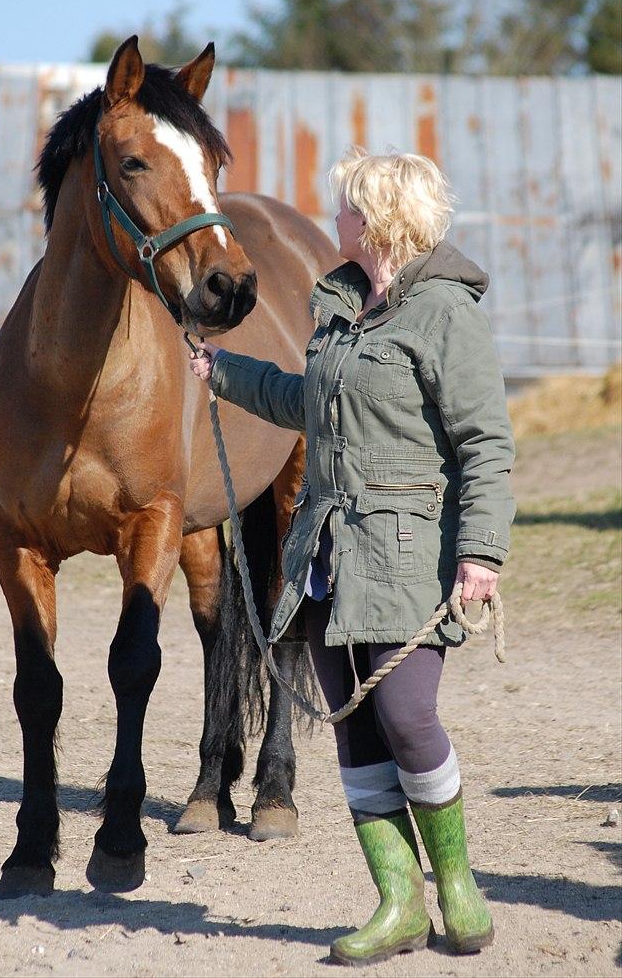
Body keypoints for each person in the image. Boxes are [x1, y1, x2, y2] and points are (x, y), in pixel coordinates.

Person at [188, 148, 515, 965]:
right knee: (355, 734)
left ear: (377, 219)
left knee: (407, 718)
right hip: (327, 556)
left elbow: (486, 443)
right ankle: (398, 902)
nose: (331, 218)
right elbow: (310, 403)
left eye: (343, 208)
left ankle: (458, 884)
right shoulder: (341, 308)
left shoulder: (444, 313)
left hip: (409, 556)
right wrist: (222, 372)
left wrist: (481, 554)